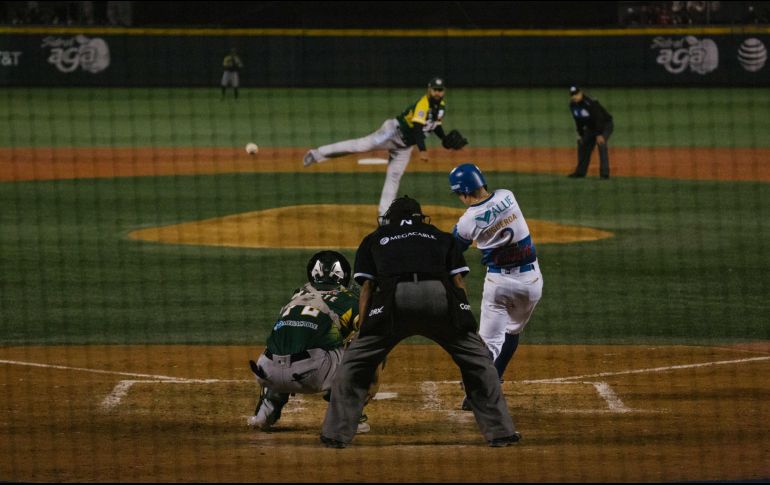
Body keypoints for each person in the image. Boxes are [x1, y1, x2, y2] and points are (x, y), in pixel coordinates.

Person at [319, 196, 521, 448]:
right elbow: (458, 283)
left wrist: (363, 330)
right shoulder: (440, 236)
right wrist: (466, 324)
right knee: (479, 363)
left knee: (354, 366)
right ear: (420, 217)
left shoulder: (375, 238)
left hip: (394, 302)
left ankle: (335, 435)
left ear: (390, 218)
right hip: (440, 299)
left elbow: (368, 287)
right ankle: (501, 433)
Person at [248, 250, 378, 433]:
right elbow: (371, 332)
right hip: (311, 375)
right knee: (358, 346)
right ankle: (349, 416)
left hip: (266, 372)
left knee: (286, 342)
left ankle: (265, 411)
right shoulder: (349, 300)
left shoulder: (297, 295)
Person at [448, 163, 543, 411]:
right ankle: (494, 381)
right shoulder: (507, 196)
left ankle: (477, 394)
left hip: (499, 284)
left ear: (464, 191)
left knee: (487, 345)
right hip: (531, 282)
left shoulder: (468, 220)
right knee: (512, 331)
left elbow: (452, 249)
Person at [303, 77, 466, 216]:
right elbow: (417, 129)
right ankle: (317, 154)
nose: (438, 93)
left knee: (394, 175)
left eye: (440, 90)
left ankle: (384, 215)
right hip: (391, 132)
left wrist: (443, 138)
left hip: (405, 146)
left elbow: (434, 125)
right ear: (429, 90)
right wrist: (422, 150)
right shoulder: (423, 105)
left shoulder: (441, 106)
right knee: (360, 146)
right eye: (435, 89)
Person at [567, 86, 614, 179]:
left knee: (601, 143)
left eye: (576, 94)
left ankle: (604, 173)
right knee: (582, 144)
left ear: (581, 93)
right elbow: (578, 120)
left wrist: (599, 134)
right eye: (572, 95)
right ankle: (580, 172)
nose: (574, 96)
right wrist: (580, 134)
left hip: (605, 125)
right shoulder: (572, 105)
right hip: (591, 127)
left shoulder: (590, 103)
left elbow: (599, 119)